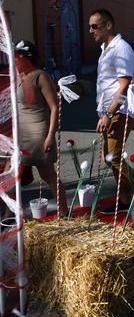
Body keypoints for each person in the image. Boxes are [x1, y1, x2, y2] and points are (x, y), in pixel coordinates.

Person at [14, 41, 68, 217]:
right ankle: (9, 216)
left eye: (17, 57)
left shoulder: (40, 76)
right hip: (20, 136)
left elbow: (54, 107)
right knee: (13, 178)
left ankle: (64, 212)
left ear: (25, 58)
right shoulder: (16, 77)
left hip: (38, 134)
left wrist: (50, 135)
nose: (14, 60)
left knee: (47, 175)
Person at [91, 9, 134, 215]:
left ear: (108, 25)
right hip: (109, 112)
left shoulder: (121, 49)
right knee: (110, 158)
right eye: (90, 26)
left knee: (113, 157)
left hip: (120, 111)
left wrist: (108, 115)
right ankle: (126, 197)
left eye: (95, 26)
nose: (91, 30)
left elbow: (124, 85)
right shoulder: (106, 48)